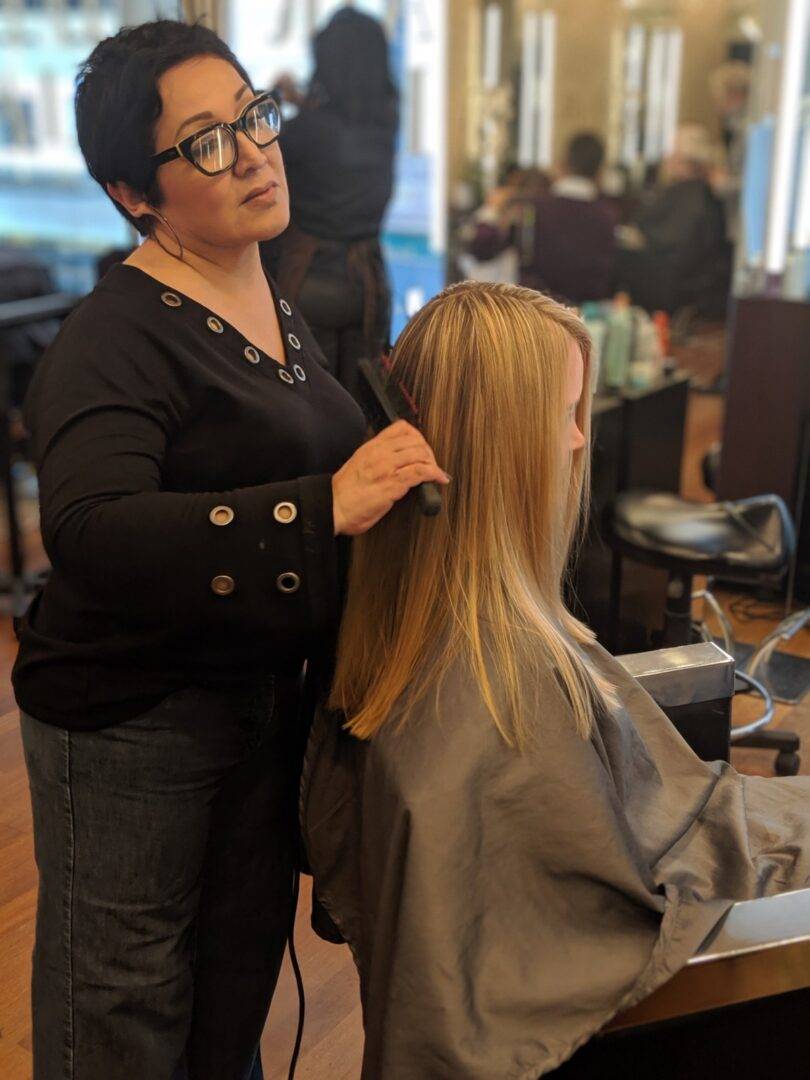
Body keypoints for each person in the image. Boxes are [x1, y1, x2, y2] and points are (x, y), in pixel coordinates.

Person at [13, 19, 448, 1080]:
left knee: (234, 984)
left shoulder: (271, 306)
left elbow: (337, 457)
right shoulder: (110, 337)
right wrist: (317, 509)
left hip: (256, 710)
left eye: (255, 115)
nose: (254, 149)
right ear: (133, 193)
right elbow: (88, 529)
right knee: (123, 1004)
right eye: (206, 140)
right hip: (133, 722)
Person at [300, 281, 810, 1079]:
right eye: (564, 414)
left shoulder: (410, 636)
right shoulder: (492, 688)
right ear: (496, 439)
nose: (578, 441)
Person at [262, 7, 398, 401]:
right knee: (359, 409)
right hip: (368, 290)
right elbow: (341, 127)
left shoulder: (303, 133)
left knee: (311, 410)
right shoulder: (386, 126)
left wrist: (273, 96)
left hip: (306, 285)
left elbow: (261, 145)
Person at [616, 124, 731, 315]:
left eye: (672, 153)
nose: (667, 158)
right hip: (676, 271)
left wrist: (639, 238)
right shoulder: (688, 193)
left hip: (670, 277)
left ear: (685, 162)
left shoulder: (691, 198)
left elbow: (672, 240)